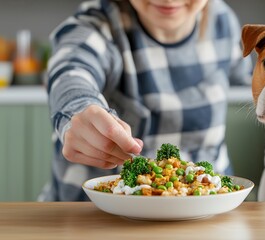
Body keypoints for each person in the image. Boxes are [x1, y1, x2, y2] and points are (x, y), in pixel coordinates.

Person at [38, 0, 252, 201]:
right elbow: (71, 72)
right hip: (92, 215)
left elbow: (250, 77)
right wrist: (77, 110)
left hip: (208, 208)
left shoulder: (224, 22)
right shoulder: (98, 23)